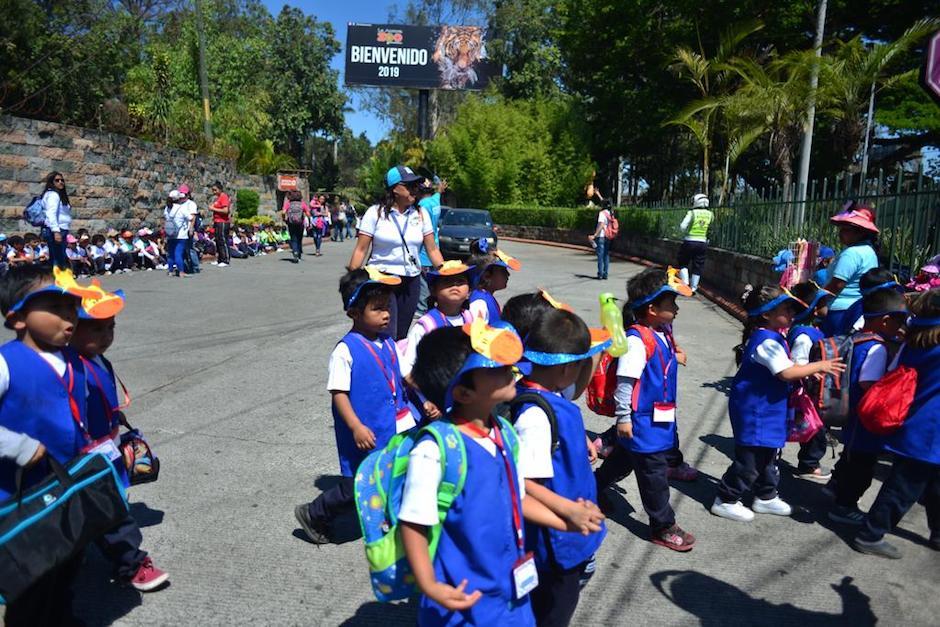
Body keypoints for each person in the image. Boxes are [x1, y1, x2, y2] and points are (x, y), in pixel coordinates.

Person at [401, 321, 575, 625]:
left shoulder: (504, 433)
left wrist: (565, 520)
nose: (509, 368)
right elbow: (414, 522)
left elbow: (516, 496)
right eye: (494, 367)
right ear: (464, 393)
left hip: (510, 590)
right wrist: (429, 585)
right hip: (463, 599)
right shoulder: (435, 450)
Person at [0, 265, 94, 625]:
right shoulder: (7, 362)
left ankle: (61, 615)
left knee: (69, 561)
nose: (69, 317)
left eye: (71, 308)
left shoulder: (75, 359)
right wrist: (19, 447)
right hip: (22, 495)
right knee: (32, 574)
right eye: (54, 308)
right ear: (17, 319)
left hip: (66, 485)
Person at [294, 267, 416, 544]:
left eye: (387, 307)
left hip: (392, 425)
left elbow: (405, 375)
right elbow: (338, 393)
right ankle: (314, 513)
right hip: (364, 432)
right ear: (354, 313)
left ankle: (390, 520)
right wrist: (356, 426)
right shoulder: (345, 350)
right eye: (377, 309)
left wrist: (428, 394)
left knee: (392, 472)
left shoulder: (388, 342)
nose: (387, 314)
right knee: (355, 484)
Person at [711, 285, 845, 522]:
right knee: (751, 459)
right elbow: (785, 372)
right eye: (786, 309)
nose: (792, 313)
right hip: (756, 409)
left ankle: (765, 496)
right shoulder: (766, 341)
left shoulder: (775, 337)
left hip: (768, 407)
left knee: (769, 454)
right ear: (766, 314)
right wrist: (819, 366)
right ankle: (726, 498)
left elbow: (788, 368)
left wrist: (805, 371)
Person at [70, 287, 170, 591]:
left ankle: (76, 551)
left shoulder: (99, 360)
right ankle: (131, 562)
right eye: (97, 329)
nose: (106, 336)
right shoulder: (69, 368)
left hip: (106, 447)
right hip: (84, 456)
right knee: (110, 511)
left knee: (94, 507)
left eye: (110, 327)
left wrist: (118, 419)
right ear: (68, 329)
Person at [512, 308, 607, 625]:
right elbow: (524, 486)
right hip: (556, 541)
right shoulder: (536, 418)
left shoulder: (542, 390)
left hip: (567, 534)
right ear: (567, 369)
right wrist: (568, 511)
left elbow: (572, 391)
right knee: (554, 611)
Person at [593, 269, 697, 550]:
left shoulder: (659, 334)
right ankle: (663, 525)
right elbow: (625, 383)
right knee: (654, 477)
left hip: (655, 422)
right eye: (671, 304)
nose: (676, 310)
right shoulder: (637, 341)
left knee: (621, 461)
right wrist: (623, 418)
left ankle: (590, 488)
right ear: (652, 309)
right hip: (641, 423)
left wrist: (675, 356)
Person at [853, 289, 939, 558]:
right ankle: (870, 533)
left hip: (918, 427)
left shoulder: (913, 341)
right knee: (902, 488)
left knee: (935, 486)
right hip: (928, 432)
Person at [347, 166, 445, 340]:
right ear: (394, 188)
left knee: (401, 335)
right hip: (382, 280)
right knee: (386, 333)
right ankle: (381, 364)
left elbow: (432, 249)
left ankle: (395, 366)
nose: (415, 189)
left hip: (411, 280)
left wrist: (446, 273)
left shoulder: (421, 214)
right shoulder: (374, 213)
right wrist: (352, 282)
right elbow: (361, 250)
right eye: (409, 185)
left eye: (416, 185)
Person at [787, 282, 836, 482]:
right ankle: (809, 464)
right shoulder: (803, 336)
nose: (828, 307)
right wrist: (815, 372)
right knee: (816, 427)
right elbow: (799, 364)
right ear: (814, 308)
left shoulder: (809, 330)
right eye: (825, 303)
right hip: (806, 391)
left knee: (815, 426)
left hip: (813, 389)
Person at [400, 260, 474, 380]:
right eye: (447, 281)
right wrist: (425, 397)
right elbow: (409, 366)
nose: (455, 285)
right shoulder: (426, 325)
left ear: (469, 292)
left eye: (460, 281)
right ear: (433, 291)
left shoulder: (470, 318)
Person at [821, 204, 879, 336]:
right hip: (855, 309)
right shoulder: (868, 251)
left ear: (861, 232)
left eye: (846, 230)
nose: (840, 234)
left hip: (839, 311)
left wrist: (818, 301)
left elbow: (838, 284)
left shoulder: (852, 253)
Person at [415, 178, 448, 315]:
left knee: (423, 282)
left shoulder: (422, 205)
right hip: (435, 247)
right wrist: (440, 188)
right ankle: (430, 306)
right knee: (431, 281)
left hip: (424, 250)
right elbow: (439, 193)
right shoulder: (435, 201)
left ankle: (422, 309)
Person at [467, 246, 518, 323]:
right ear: (486, 276)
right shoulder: (479, 303)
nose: (508, 274)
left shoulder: (487, 296)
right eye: (503, 271)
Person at [677, 193, 713, 294]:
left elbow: (682, 226)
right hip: (702, 242)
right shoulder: (710, 214)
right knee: (698, 265)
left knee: (683, 261)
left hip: (690, 241)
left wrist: (683, 231)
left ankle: (685, 283)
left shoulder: (692, 213)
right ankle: (693, 287)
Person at [39, 171, 72, 270]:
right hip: (57, 230)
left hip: (61, 229)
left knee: (57, 257)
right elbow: (51, 214)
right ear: (51, 182)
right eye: (57, 180)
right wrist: (56, 231)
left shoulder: (58, 195)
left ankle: (54, 281)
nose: (60, 182)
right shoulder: (53, 195)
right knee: (58, 259)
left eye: (62, 180)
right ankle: (56, 282)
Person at [163, 190, 188, 277]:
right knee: (178, 253)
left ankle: (170, 271)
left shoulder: (167, 208)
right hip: (181, 234)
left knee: (171, 253)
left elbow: (165, 218)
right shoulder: (182, 208)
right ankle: (181, 271)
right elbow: (190, 217)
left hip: (170, 232)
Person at [176, 185, 199, 275]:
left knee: (190, 249)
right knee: (181, 249)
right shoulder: (178, 203)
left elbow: (193, 217)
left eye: (184, 195)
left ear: (188, 195)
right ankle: (185, 267)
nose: (182, 197)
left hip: (187, 229)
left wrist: (191, 228)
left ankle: (195, 267)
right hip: (179, 230)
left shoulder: (191, 204)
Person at [281, 190, 309, 263]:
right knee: (299, 238)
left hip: (291, 223)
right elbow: (308, 213)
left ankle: (295, 252)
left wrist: (284, 218)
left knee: (293, 238)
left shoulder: (288, 204)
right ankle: (299, 253)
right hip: (300, 223)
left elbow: (283, 212)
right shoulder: (302, 204)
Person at [587, 201, 612, 280]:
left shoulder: (602, 213)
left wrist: (595, 235)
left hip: (601, 236)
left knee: (600, 256)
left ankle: (600, 273)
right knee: (606, 255)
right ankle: (605, 273)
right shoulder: (610, 213)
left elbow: (601, 224)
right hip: (607, 236)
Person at [209, 181, 231, 267]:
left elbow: (226, 211)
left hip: (223, 222)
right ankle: (220, 259)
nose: (214, 192)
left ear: (220, 189)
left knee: (222, 240)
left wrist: (213, 208)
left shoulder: (223, 197)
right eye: (213, 190)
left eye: (215, 190)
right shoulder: (217, 198)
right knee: (218, 240)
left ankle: (225, 259)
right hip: (217, 221)